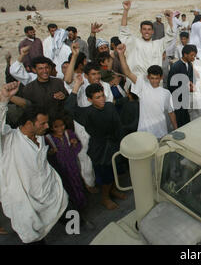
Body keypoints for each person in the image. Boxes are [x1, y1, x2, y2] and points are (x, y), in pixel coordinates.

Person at [0, 81, 68, 244]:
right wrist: (3, 101)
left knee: (63, 210)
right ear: (29, 123)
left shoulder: (39, 137)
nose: (47, 126)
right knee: (34, 237)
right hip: (23, 201)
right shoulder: (9, 140)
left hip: (46, 192)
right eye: (43, 123)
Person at [65, 77, 126, 210]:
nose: (102, 99)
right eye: (97, 97)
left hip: (115, 144)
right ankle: (105, 198)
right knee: (106, 176)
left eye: (102, 95)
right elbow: (69, 107)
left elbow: (118, 126)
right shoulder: (87, 113)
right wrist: (76, 87)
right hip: (100, 149)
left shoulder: (110, 106)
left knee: (115, 170)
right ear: (90, 100)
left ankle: (114, 190)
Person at [117, 44, 177, 138]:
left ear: (161, 78)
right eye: (152, 78)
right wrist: (121, 54)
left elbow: (171, 113)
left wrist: (175, 129)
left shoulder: (166, 93)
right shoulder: (142, 86)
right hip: (144, 133)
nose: (154, 81)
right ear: (148, 77)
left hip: (161, 133)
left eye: (157, 78)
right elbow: (127, 72)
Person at [118, 0, 175, 76]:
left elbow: (170, 35)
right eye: (144, 29)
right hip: (137, 81)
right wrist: (125, 11)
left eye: (149, 29)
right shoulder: (134, 42)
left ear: (152, 31)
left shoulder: (158, 44)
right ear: (140, 31)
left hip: (154, 82)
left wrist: (170, 20)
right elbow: (124, 31)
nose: (146, 32)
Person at [45, 115, 87, 212]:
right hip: (61, 167)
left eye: (62, 125)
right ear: (51, 128)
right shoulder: (48, 139)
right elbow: (47, 155)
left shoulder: (69, 133)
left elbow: (78, 147)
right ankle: (73, 207)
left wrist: (75, 143)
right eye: (56, 126)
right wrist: (51, 152)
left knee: (77, 182)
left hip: (72, 164)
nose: (60, 128)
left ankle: (81, 203)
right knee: (67, 186)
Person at [167, 44, 197, 128]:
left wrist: (191, 84)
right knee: (179, 119)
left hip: (185, 97)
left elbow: (190, 77)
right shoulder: (176, 66)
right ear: (185, 55)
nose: (193, 58)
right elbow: (171, 84)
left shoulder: (190, 65)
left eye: (194, 55)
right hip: (177, 98)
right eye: (192, 55)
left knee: (186, 117)